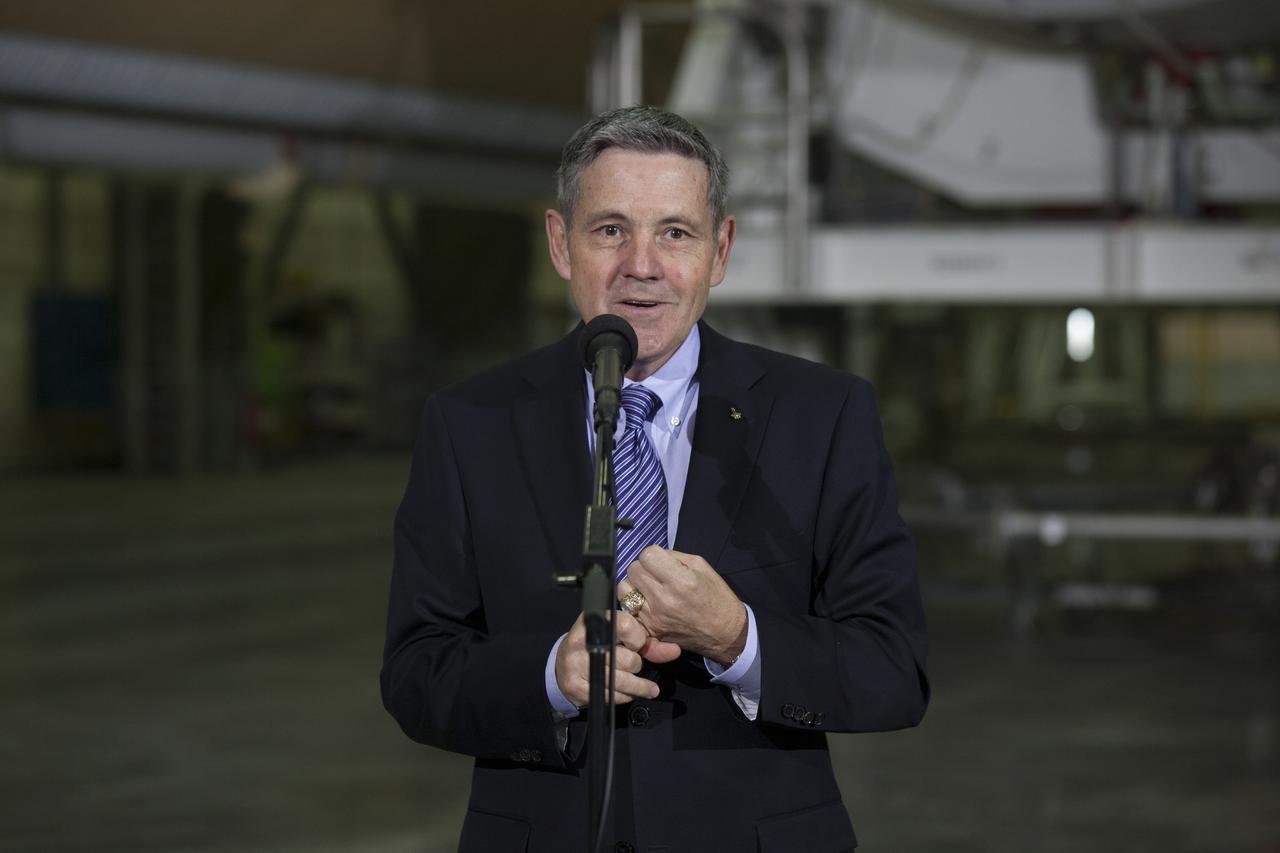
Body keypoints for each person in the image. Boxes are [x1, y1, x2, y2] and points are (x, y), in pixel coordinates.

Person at [381, 105, 929, 853]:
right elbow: (416, 670)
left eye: (675, 232)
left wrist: (738, 637)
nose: (642, 264)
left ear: (721, 248)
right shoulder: (470, 422)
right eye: (610, 229)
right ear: (560, 243)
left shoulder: (823, 415)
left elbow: (893, 667)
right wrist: (549, 674)